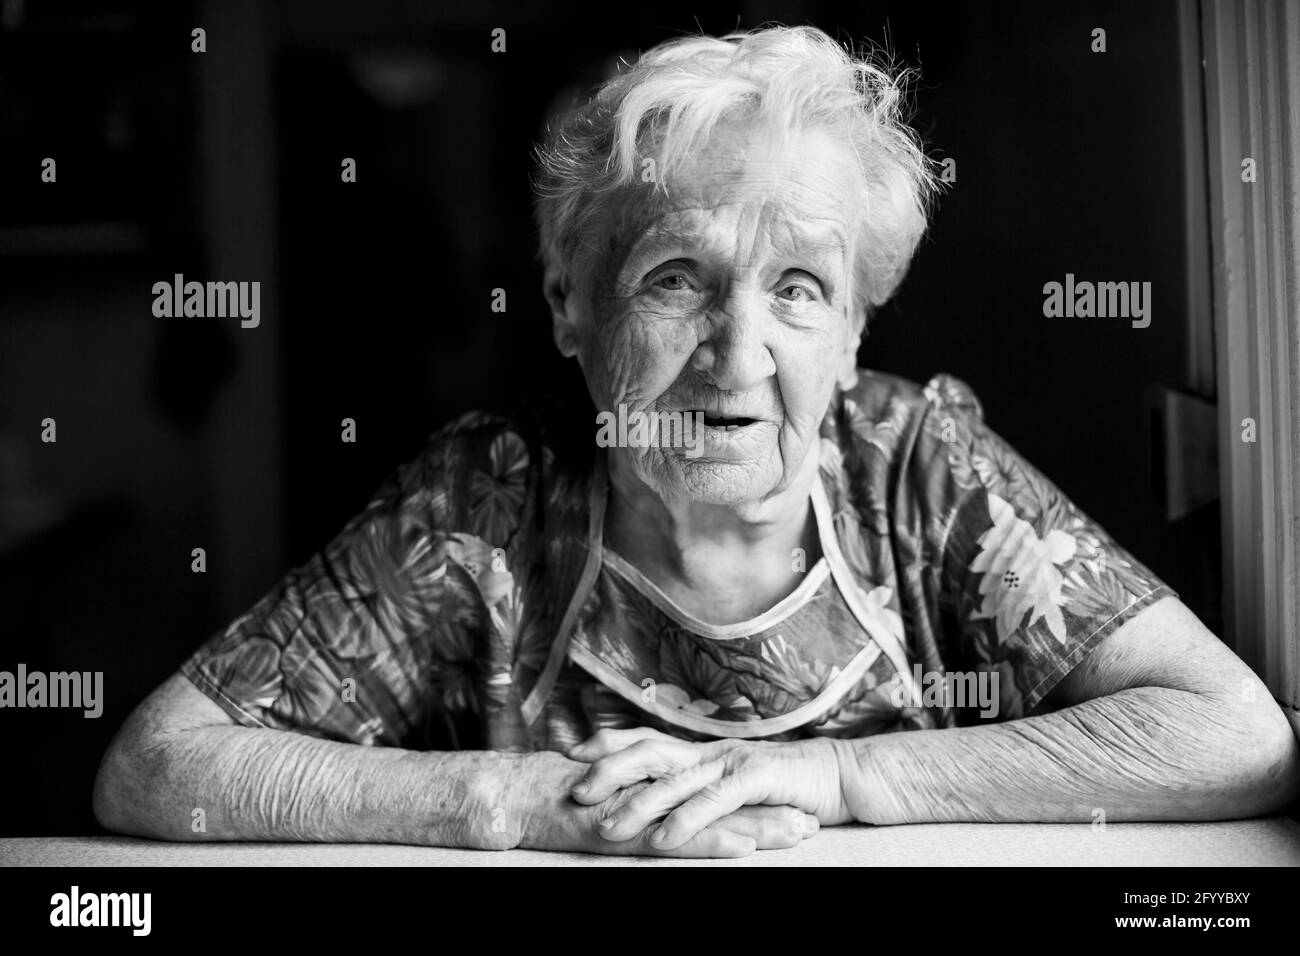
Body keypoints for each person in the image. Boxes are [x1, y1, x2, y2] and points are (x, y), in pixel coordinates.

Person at [93, 25, 1298, 858]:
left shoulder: (919, 469)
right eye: (676, 277)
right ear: (570, 303)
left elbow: (1232, 733)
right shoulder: (486, 502)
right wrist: (518, 798)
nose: (737, 352)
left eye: (798, 289)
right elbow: (157, 766)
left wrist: (846, 778)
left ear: (855, 325)